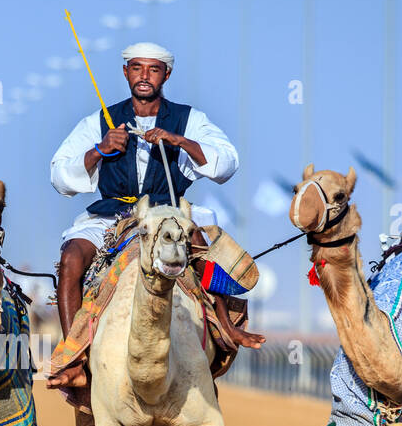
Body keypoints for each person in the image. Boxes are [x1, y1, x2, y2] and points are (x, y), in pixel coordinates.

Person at [47, 41, 261, 388]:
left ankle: (225, 329)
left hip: (169, 213)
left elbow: (226, 163)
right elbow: (60, 175)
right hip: (111, 216)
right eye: (137, 68)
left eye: (153, 69)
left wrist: (179, 141)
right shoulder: (99, 120)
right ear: (125, 72)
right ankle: (73, 358)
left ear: (166, 74)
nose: (144, 76)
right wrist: (100, 150)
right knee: (71, 259)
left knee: (205, 248)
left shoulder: (190, 120)